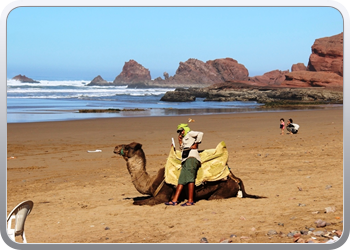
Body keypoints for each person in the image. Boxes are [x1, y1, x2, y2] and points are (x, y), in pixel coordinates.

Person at [165, 123, 203, 206]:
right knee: (181, 180)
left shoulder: (190, 133)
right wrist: (179, 141)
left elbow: (200, 134)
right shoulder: (185, 137)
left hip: (192, 158)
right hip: (185, 159)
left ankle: (190, 200)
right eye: (179, 131)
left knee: (190, 178)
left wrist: (196, 143)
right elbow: (184, 148)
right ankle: (175, 200)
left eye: (181, 130)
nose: (181, 132)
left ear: (185, 129)